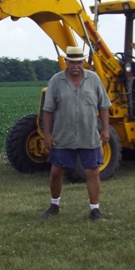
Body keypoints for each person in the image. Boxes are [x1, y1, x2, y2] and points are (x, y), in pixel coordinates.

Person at [39, 46, 112, 221]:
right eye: (72, 62)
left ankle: (95, 210)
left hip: (89, 135)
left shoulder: (94, 79)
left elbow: (104, 106)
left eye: (79, 62)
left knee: (92, 171)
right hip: (63, 135)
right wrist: (47, 134)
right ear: (66, 62)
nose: (76, 66)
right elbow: (48, 110)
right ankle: (54, 205)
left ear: (83, 62)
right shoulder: (56, 81)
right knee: (56, 172)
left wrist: (106, 129)